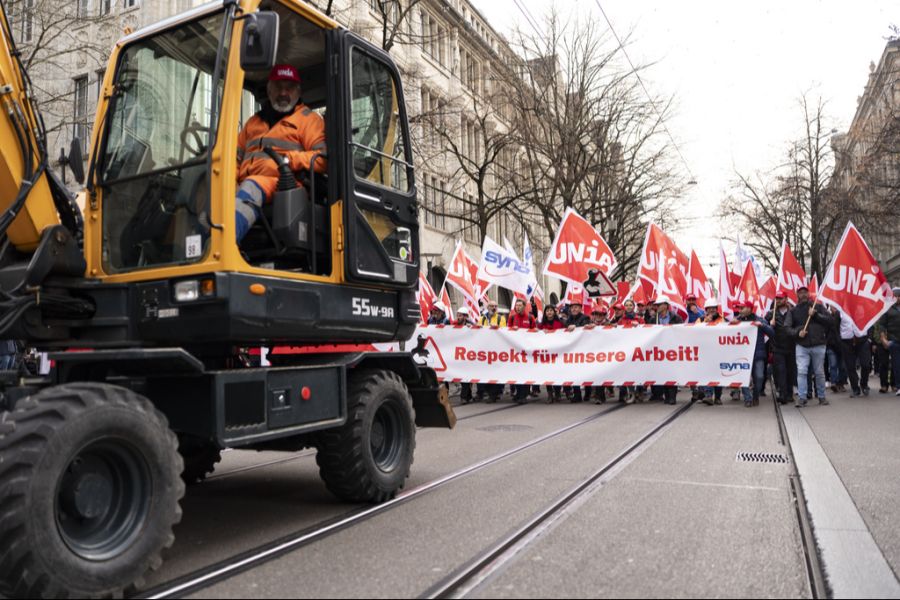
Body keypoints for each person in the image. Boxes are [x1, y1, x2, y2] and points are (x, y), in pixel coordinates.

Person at [235, 64, 327, 242]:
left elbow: (322, 159)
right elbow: (234, 158)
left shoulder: (309, 120)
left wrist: (289, 160)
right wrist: (230, 183)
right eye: (278, 87)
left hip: (285, 183)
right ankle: (195, 249)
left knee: (251, 186)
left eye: (289, 88)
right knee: (209, 188)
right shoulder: (253, 122)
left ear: (298, 92)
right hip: (247, 183)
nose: (283, 92)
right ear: (269, 91)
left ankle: (224, 244)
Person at [785, 286, 833, 407]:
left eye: (805, 292)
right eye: (800, 293)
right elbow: (787, 328)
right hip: (802, 346)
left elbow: (830, 321)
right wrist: (797, 333)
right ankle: (802, 397)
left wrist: (816, 315)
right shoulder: (793, 311)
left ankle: (821, 396)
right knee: (801, 372)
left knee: (819, 372)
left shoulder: (818, 307)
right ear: (797, 295)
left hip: (818, 345)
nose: (803, 295)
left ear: (809, 294)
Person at [735, 300, 775, 407]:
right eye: (739, 308)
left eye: (742, 308)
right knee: (743, 378)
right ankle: (748, 398)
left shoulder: (760, 320)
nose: (740, 310)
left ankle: (756, 395)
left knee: (759, 376)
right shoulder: (737, 320)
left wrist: (762, 325)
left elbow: (772, 333)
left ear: (749, 308)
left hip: (758, 354)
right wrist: (732, 325)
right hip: (742, 355)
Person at [649, 296, 683, 404]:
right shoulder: (653, 320)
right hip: (659, 350)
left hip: (672, 349)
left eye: (659, 305)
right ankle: (666, 396)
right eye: (656, 305)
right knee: (662, 373)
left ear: (665, 305)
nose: (657, 307)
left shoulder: (676, 318)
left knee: (672, 372)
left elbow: (681, 331)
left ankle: (672, 396)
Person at [766, 292, 797, 405]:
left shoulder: (792, 312)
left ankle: (789, 394)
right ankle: (782, 394)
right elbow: (764, 326)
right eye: (776, 298)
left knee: (790, 371)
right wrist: (770, 324)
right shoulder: (771, 314)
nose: (778, 301)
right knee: (781, 371)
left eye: (780, 298)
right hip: (777, 348)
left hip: (791, 347)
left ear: (786, 299)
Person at [508, 298, 536, 404]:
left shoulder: (530, 317)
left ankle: (524, 394)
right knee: (516, 373)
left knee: (525, 373)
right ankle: (518, 393)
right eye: (516, 305)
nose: (518, 307)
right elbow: (507, 332)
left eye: (520, 305)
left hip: (527, 351)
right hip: (515, 351)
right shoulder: (512, 318)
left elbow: (535, 331)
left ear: (524, 306)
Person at [874, 287, 900, 395]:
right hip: (894, 340)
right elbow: (882, 325)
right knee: (896, 364)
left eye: (899, 296)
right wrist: (883, 338)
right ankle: (896, 386)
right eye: (895, 296)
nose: (897, 298)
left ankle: (895, 384)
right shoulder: (887, 308)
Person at [700, 300, 726, 405]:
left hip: (719, 351)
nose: (712, 310)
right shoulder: (700, 320)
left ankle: (718, 397)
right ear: (706, 310)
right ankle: (708, 396)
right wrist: (704, 323)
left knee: (718, 374)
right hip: (705, 351)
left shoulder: (722, 319)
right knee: (707, 373)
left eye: (713, 307)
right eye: (709, 308)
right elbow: (694, 331)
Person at [539, 305, 565, 403]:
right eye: (547, 311)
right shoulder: (541, 325)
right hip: (546, 354)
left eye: (551, 310)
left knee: (557, 374)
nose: (549, 312)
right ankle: (550, 395)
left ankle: (557, 394)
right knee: (548, 375)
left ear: (554, 312)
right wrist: (540, 332)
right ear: (545, 313)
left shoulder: (560, 323)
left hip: (557, 353)